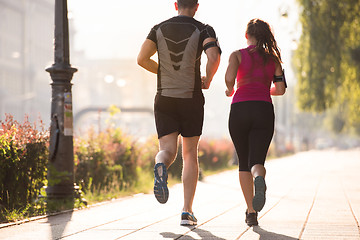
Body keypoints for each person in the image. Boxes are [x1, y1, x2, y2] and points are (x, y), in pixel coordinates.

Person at [137, 0, 221, 226]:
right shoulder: (204, 29)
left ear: (176, 5)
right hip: (190, 98)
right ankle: (187, 211)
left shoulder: (158, 28)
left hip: (164, 98)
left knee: (167, 150)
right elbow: (213, 57)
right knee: (189, 154)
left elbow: (141, 59)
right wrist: (208, 79)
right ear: (197, 6)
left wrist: (163, 73)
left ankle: (160, 165)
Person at [224, 18, 286, 227]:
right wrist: (262, 90)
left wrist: (230, 89)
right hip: (263, 109)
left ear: (246, 35)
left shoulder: (237, 55)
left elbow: (229, 80)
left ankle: (251, 212)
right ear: (265, 36)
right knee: (256, 161)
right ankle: (259, 176)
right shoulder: (274, 60)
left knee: (243, 160)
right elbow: (280, 90)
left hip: (240, 109)